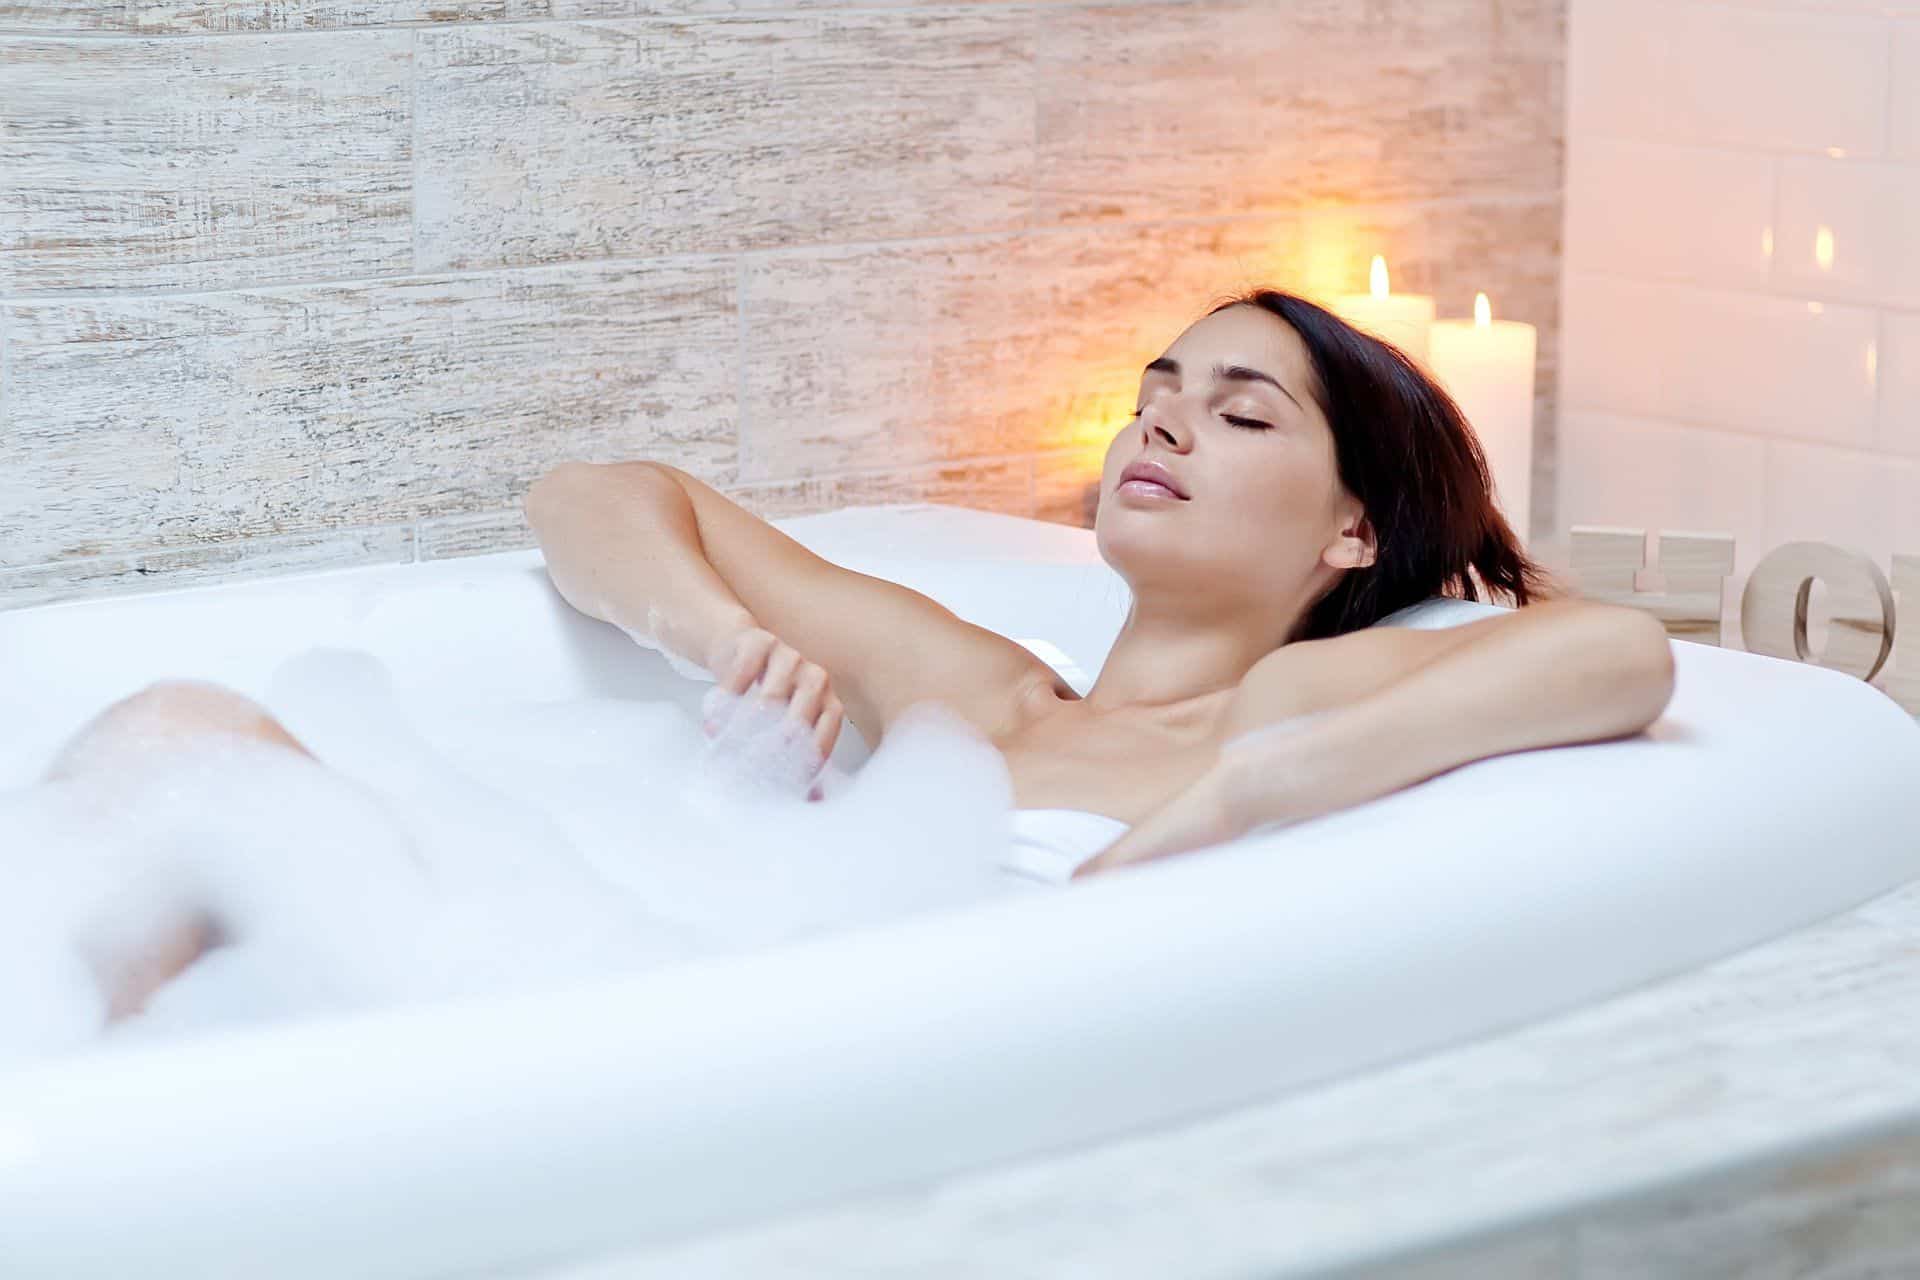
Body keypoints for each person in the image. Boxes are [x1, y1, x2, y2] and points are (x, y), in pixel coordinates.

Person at [23, 287, 1677, 1024]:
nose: (1164, 422)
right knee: (186, 725)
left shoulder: (1291, 699)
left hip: (743, 1044)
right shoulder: (971, 682)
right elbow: (595, 497)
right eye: (1158, 392)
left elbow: (1619, 662)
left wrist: (1228, 806)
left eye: (1242, 415)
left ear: (1351, 539)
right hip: (651, 985)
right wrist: (732, 646)